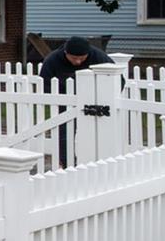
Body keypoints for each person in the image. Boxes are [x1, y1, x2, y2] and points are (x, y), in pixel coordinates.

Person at [39, 36, 111, 167]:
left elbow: (116, 79)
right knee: (64, 133)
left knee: (96, 131)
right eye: (73, 58)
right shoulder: (52, 60)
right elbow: (44, 83)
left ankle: (100, 162)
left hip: (94, 102)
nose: (78, 62)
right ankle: (68, 163)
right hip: (64, 102)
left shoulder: (98, 56)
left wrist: (105, 97)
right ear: (66, 53)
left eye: (82, 58)